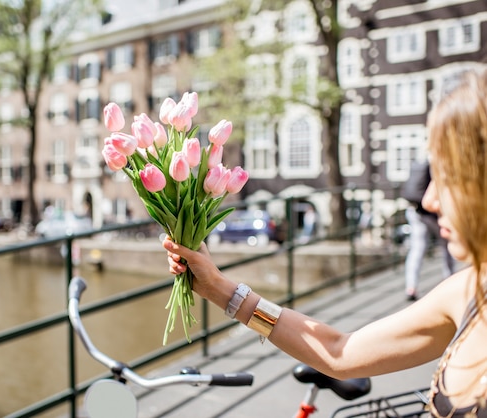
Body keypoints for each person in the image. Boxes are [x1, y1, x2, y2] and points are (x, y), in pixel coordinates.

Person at [162, 69, 487, 417]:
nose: (429, 200)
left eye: (449, 177)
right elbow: (340, 352)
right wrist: (219, 289)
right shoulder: (469, 291)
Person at [404, 163, 455, 301]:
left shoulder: (422, 162)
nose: (429, 200)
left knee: (417, 249)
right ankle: (450, 281)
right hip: (431, 215)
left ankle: (411, 286)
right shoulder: (439, 163)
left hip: (416, 212)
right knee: (446, 247)